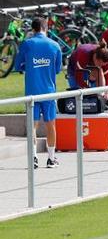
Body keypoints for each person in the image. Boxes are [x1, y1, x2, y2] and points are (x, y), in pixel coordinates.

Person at [14, 17, 63, 169]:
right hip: (48, 91)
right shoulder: (55, 45)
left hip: (32, 92)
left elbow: (17, 66)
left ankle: (34, 157)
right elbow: (57, 69)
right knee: (50, 125)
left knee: (33, 126)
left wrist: (29, 66)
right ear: (45, 28)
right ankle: (51, 158)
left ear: (33, 29)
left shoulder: (27, 44)